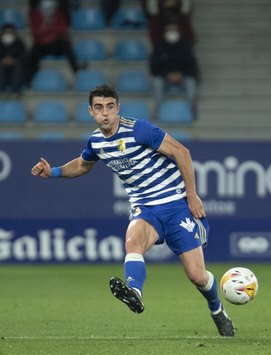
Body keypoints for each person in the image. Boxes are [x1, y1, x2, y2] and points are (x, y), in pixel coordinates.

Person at [30, 84, 235, 337]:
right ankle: (134, 293)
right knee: (132, 241)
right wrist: (55, 172)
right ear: (90, 111)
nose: (105, 113)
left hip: (175, 204)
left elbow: (182, 152)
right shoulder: (96, 141)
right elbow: (83, 165)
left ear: (117, 108)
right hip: (145, 207)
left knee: (197, 276)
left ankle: (217, 310)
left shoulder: (139, 129)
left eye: (109, 107)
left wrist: (191, 195)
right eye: (99, 108)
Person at [149, 22, 199, 116]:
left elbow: (192, 66)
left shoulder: (186, 46)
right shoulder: (159, 46)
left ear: (179, 32)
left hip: (183, 77)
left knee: (191, 83)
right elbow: (154, 67)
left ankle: (192, 112)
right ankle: (158, 112)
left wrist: (181, 74)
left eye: (174, 30)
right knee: (157, 83)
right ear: (164, 33)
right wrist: (167, 75)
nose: (172, 33)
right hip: (164, 78)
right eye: (169, 31)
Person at [0, 24, 26, 96]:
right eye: (6, 33)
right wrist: (2, 60)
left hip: (15, 70)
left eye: (10, 33)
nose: (8, 35)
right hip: (2, 70)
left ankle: (15, 91)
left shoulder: (19, 43)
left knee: (18, 67)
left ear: (14, 33)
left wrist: (13, 61)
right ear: (2, 33)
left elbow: (23, 57)